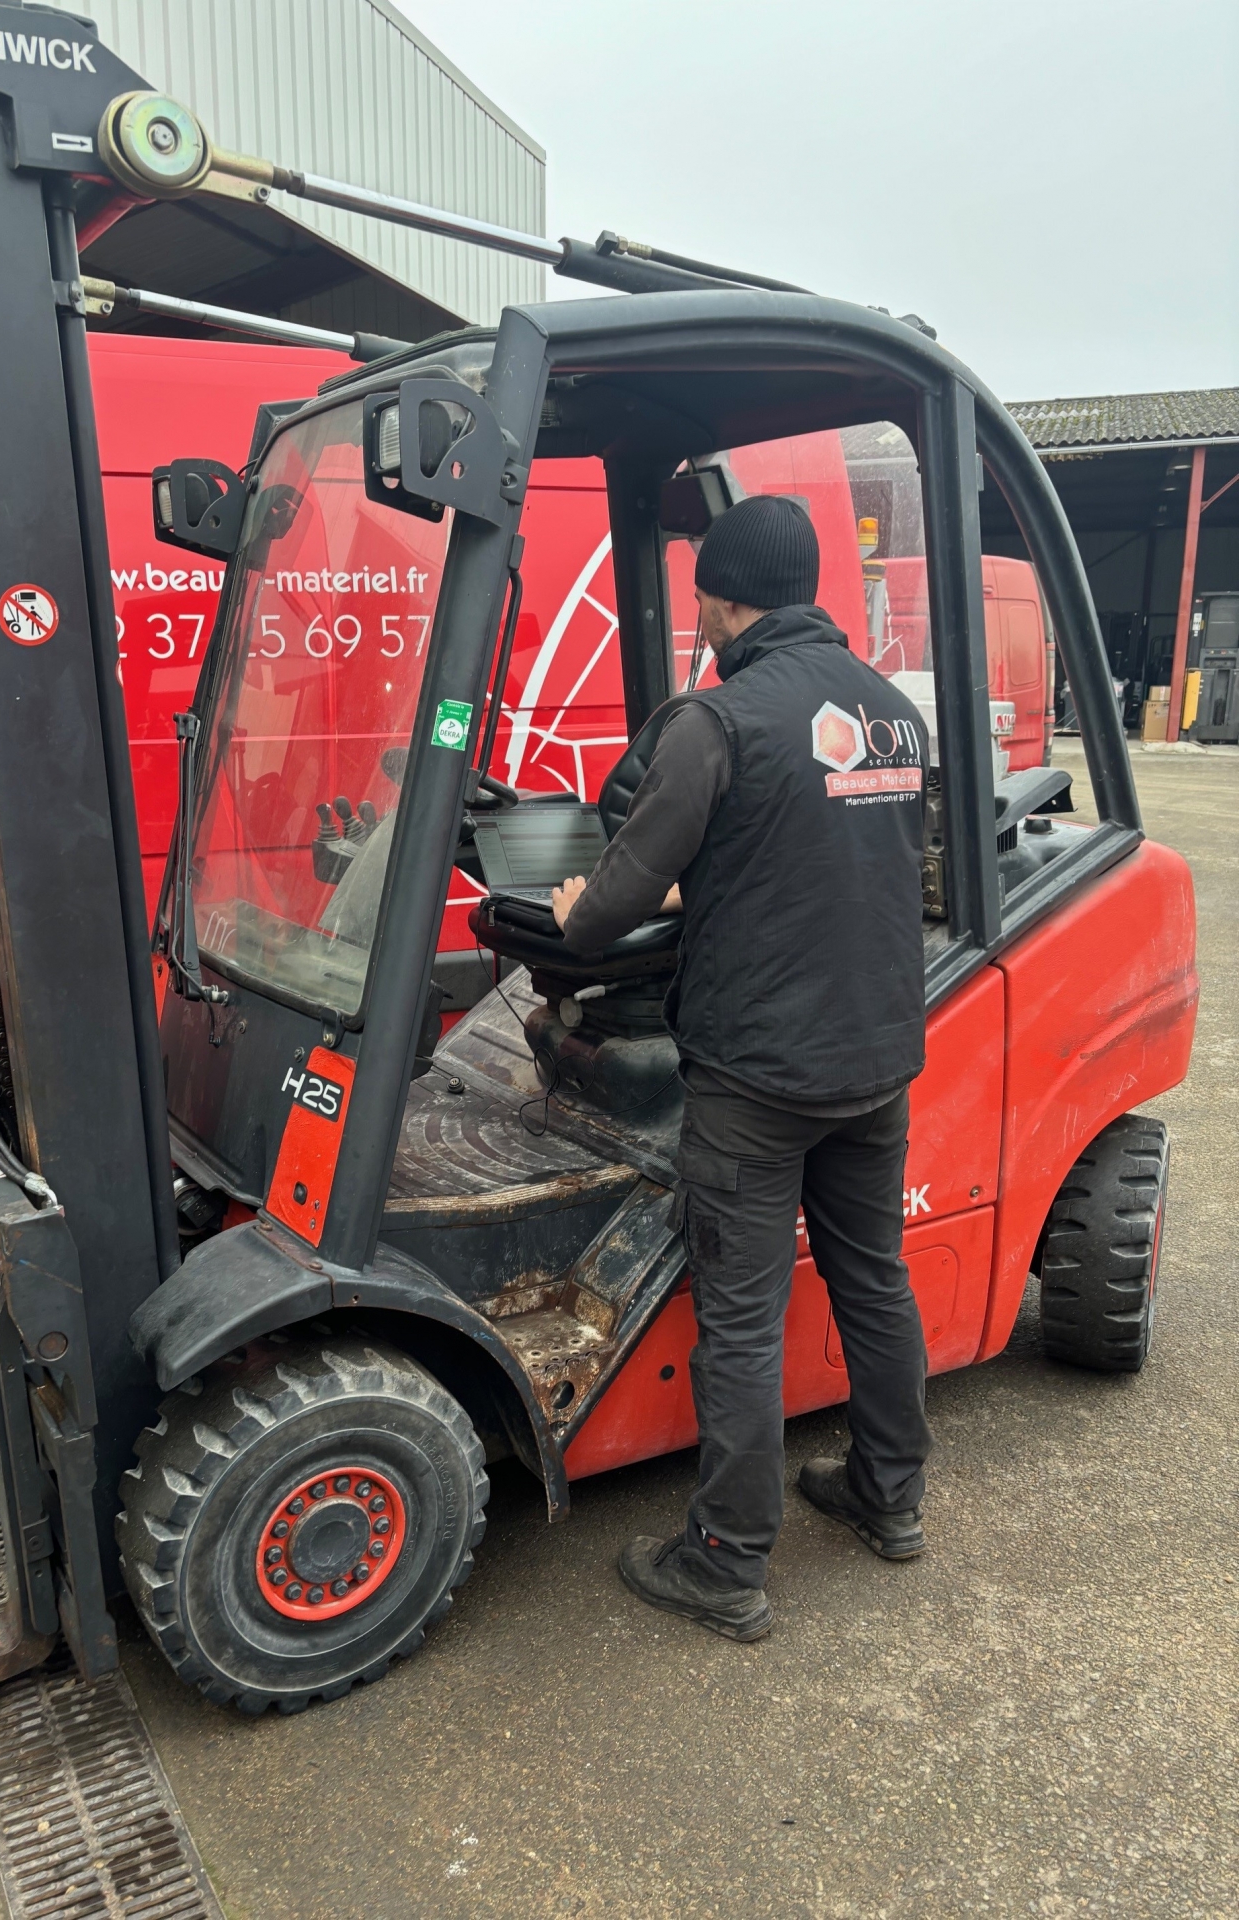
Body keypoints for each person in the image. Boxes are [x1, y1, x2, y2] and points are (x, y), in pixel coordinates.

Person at [552, 493, 932, 1642]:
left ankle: (725, 1560)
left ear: (718, 598)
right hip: (874, 1066)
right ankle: (889, 1497)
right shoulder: (890, 711)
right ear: (811, 588)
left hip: (758, 1080)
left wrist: (578, 913)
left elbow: (613, 895)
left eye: (706, 600)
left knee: (744, 1316)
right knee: (874, 1279)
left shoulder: (715, 722)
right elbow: (841, 851)